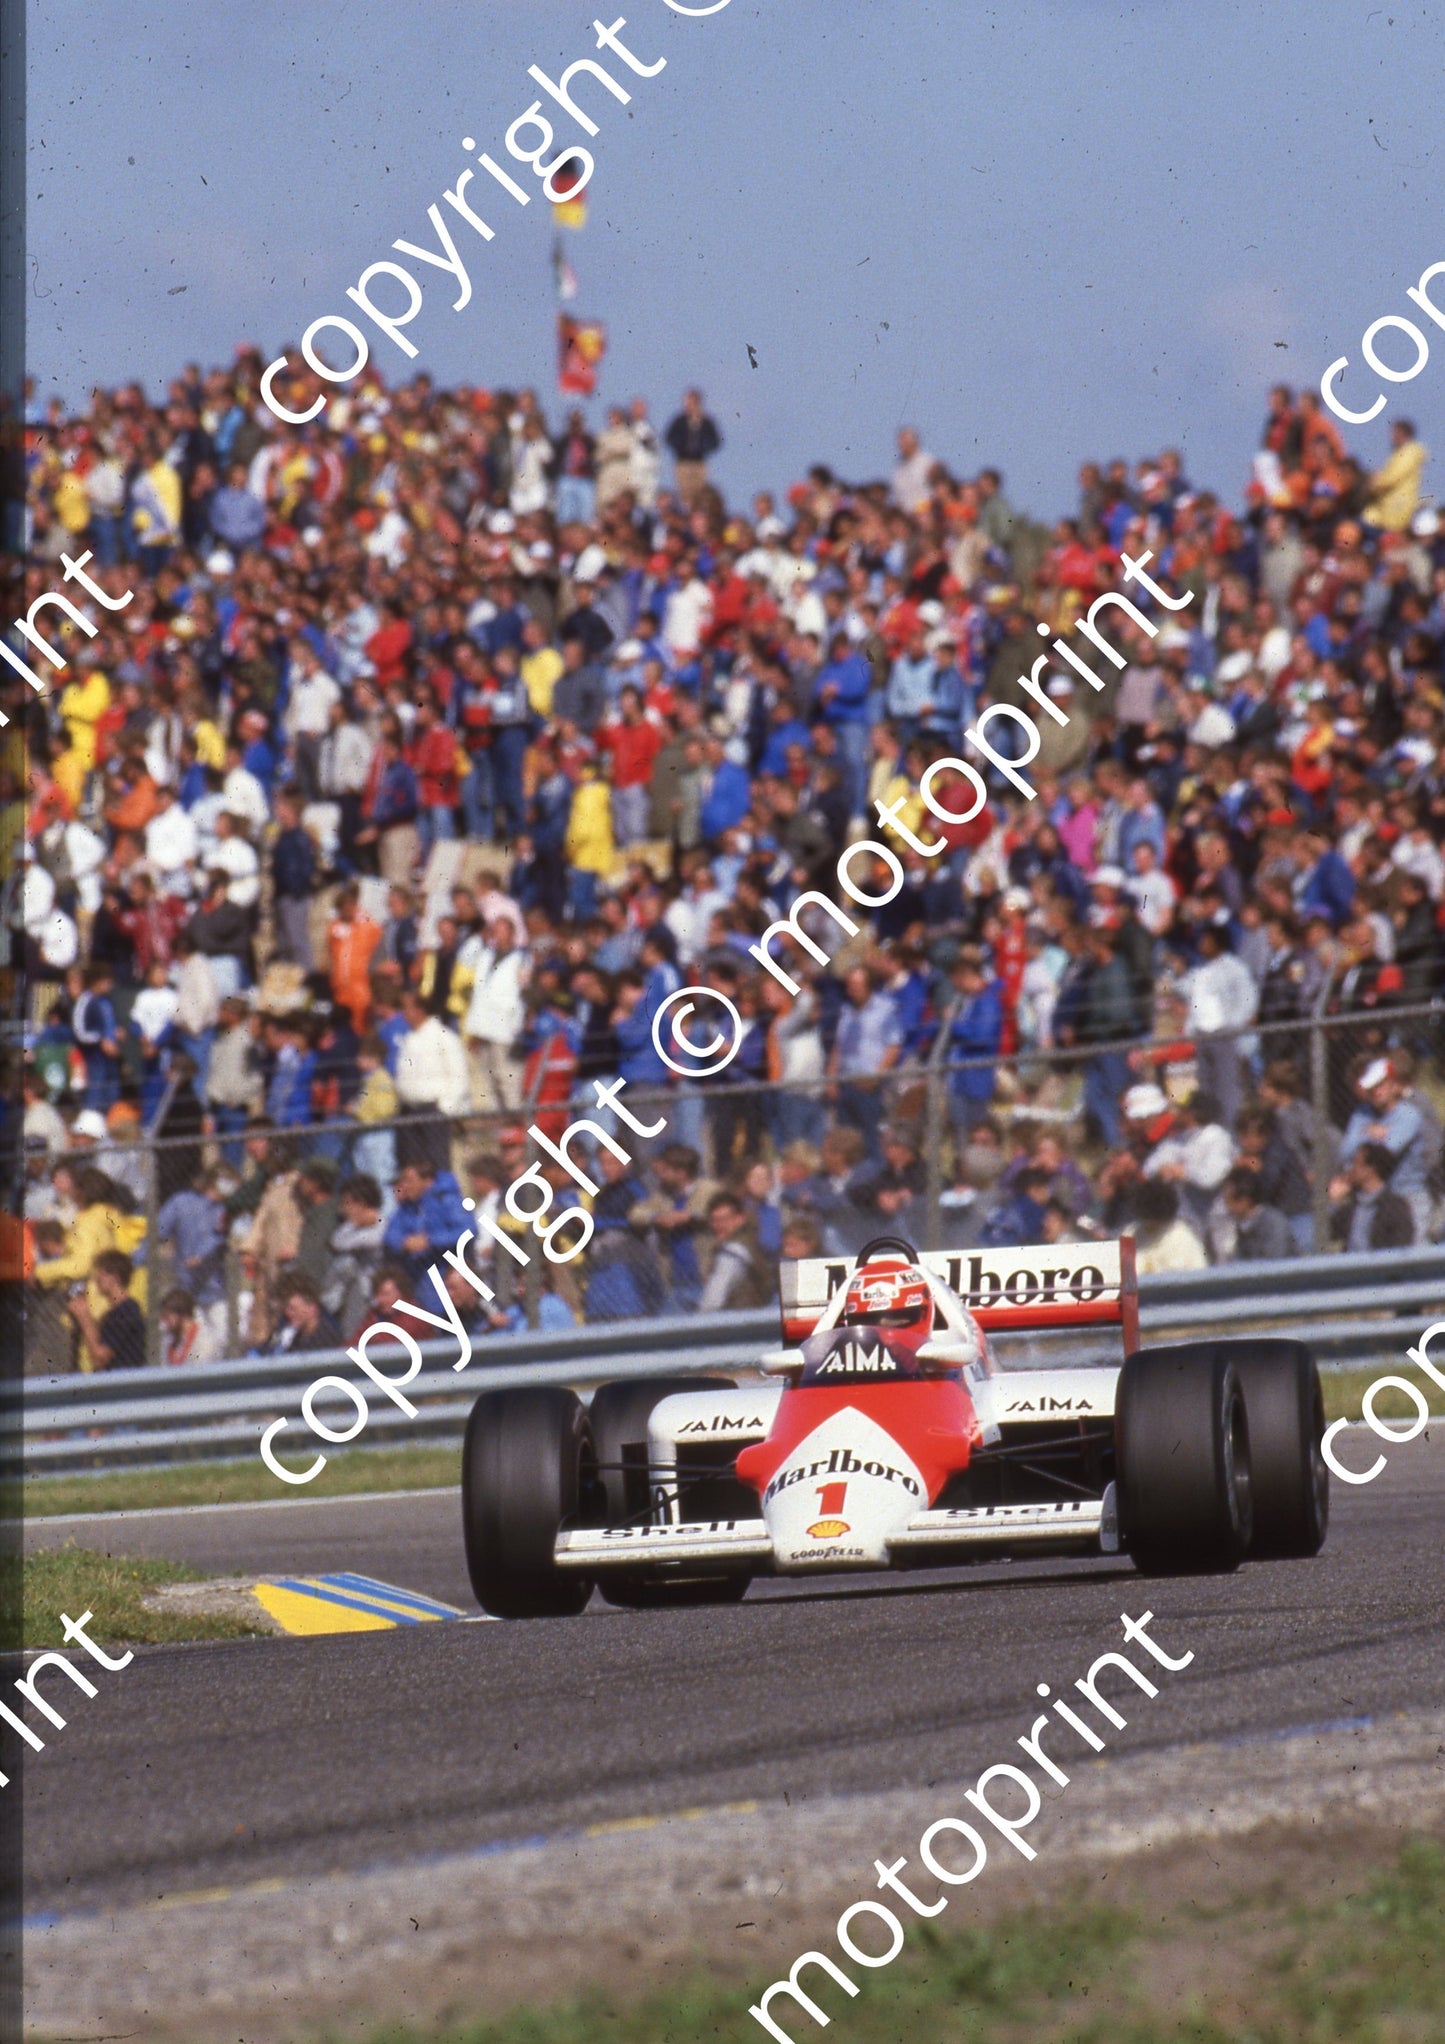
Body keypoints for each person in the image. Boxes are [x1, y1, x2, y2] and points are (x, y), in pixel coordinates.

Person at [68, 1249, 148, 1371]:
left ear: (114, 1277)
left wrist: (84, 1317)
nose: (96, 1279)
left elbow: (100, 1357)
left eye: (101, 1274)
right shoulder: (113, 1313)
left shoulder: (126, 1311)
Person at [1329, 1142, 1415, 1253]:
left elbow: (1401, 1244)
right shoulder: (1351, 1207)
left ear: (1370, 1169)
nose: (1350, 1169)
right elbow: (1327, 1233)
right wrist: (1333, 1202)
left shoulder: (1395, 1207)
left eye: (1355, 1163)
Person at [1220, 1165, 1294, 1262]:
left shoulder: (1274, 1224)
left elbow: (1275, 1263)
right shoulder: (1243, 1227)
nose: (1227, 1207)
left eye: (1229, 1201)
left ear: (1244, 1201)